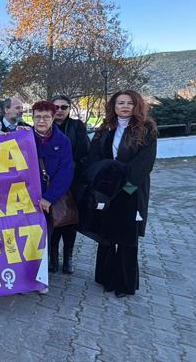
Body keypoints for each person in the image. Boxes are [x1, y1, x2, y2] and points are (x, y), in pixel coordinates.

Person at [88, 90, 157, 298]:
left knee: (127, 238)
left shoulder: (146, 130)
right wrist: (103, 184)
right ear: (114, 106)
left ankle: (124, 284)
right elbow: (96, 157)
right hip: (108, 191)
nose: (125, 106)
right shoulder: (105, 129)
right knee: (107, 235)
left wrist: (126, 186)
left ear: (137, 106)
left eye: (129, 103)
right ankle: (105, 278)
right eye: (120, 103)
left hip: (131, 191)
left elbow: (144, 163)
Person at [31, 101, 75, 277]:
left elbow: (66, 172)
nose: (41, 121)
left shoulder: (63, 141)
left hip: (47, 199)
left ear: (52, 117)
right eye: (38, 117)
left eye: (46, 117)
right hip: (26, 196)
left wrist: (49, 197)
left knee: (45, 238)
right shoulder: (23, 137)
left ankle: (40, 276)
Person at [50, 95, 91, 274]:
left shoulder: (77, 127)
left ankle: (68, 258)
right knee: (53, 221)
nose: (59, 110)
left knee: (69, 221)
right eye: (56, 107)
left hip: (72, 182)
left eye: (64, 107)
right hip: (50, 183)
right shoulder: (44, 126)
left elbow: (86, 153)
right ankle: (53, 259)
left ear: (69, 109)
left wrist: (70, 167)